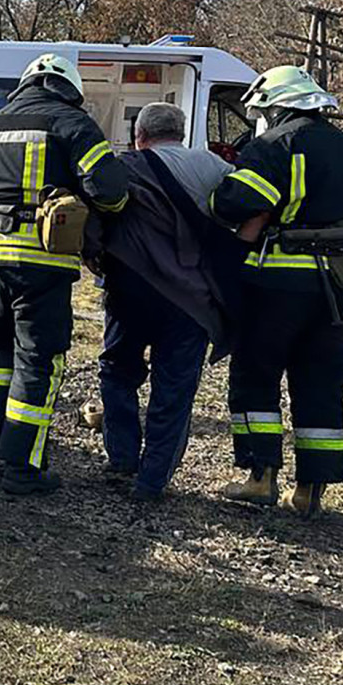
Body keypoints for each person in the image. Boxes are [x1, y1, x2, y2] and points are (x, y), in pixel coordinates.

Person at [210, 64, 343, 518]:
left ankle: (260, 478)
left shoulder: (274, 145)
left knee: (256, 374)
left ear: (276, 106)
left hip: (276, 284)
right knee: (321, 381)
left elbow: (233, 203)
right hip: (337, 290)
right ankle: (309, 491)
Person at [0, 53, 129, 495]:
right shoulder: (72, 123)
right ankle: (22, 465)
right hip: (39, 259)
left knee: (2, 345)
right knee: (40, 359)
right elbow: (111, 193)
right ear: (70, 89)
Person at [96, 102, 235, 503]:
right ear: (182, 131)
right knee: (173, 386)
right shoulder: (212, 166)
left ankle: (122, 455)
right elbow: (241, 210)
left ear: (139, 135)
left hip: (129, 291)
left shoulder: (123, 167)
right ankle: (153, 479)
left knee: (117, 371)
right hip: (191, 299)